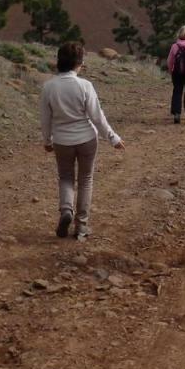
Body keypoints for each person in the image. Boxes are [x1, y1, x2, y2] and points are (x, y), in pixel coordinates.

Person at [40, 42, 125, 242]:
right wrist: (113, 138)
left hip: (61, 140)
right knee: (86, 180)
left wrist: (47, 140)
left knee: (66, 178)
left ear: (59, 61)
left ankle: (66, 211)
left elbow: (45, 118)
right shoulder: (85, 85)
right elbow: (97, 117)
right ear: (79, 63)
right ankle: (81, 226)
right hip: (86, 139)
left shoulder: (48, 87)